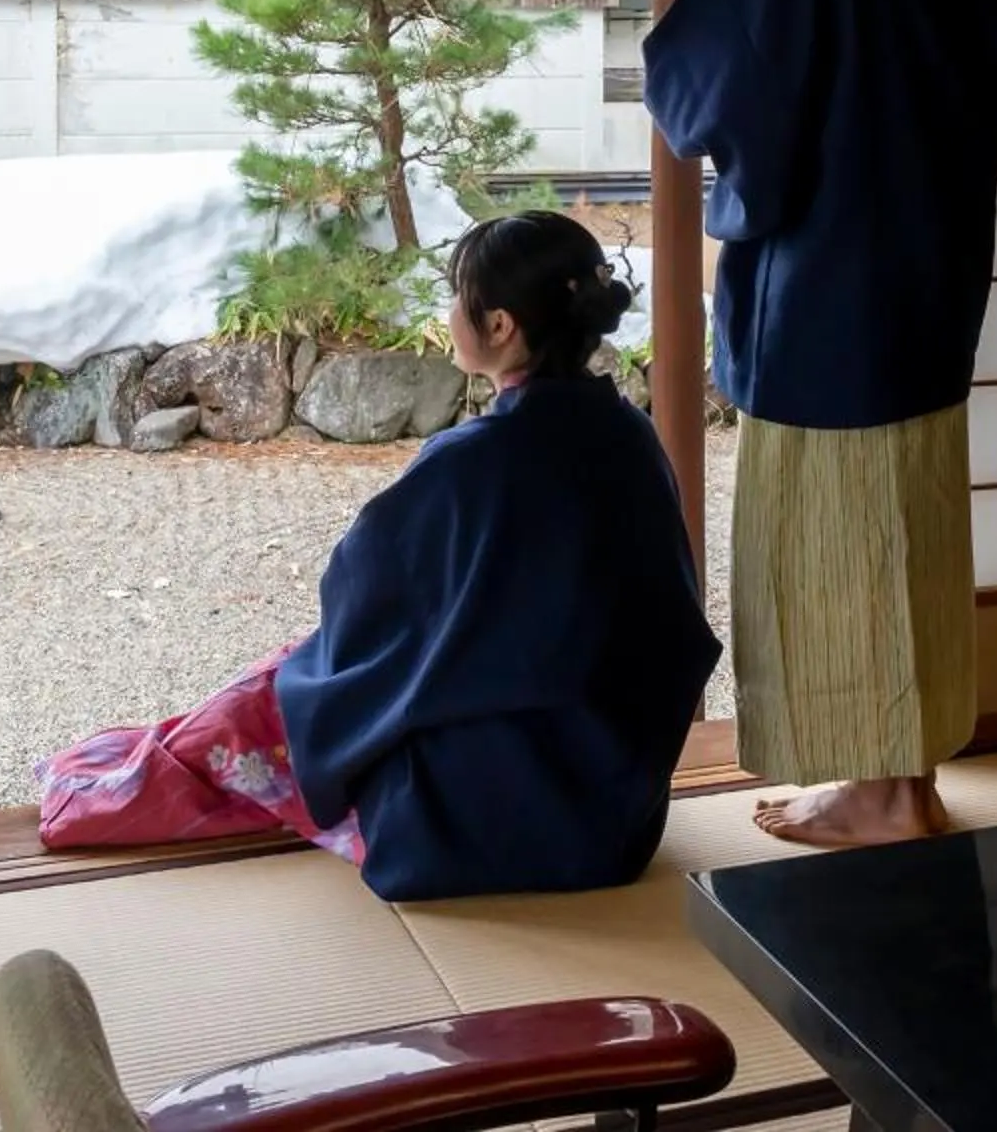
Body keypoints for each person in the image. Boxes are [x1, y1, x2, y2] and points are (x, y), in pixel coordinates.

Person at [36, 211, 721, 901]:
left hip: (487, 809)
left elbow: (362, 589)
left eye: (459, 299)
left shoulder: (474, 459)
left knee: (276, 696)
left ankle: (115, 792)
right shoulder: (630, 433)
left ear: (502, 326)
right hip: (613, 804)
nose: (450, 314)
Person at [644, 0, 997, 850]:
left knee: (832, 541)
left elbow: (691, 86)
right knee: (909, 526)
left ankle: (874, 794)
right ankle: (903, 780)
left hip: (823, 299)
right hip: (928, 288)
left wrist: (790, 164)